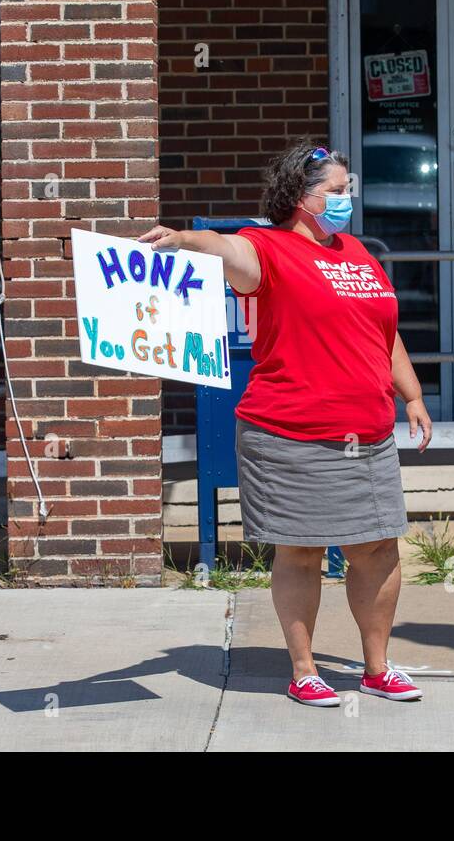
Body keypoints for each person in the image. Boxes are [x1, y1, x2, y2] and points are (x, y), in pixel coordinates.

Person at [138, 139, 433, 707]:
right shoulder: (267, 249)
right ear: (303, 198)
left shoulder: (358, 255)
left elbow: (383, 331)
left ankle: (377, 667)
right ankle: (304, 670)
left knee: (378, 548)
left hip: (366, 434)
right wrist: (179, 239)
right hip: (289, 432)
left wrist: (412, 394)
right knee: (301, 551)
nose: (348, 199)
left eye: (349, 189)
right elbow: (222, 248)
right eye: (338, 191)